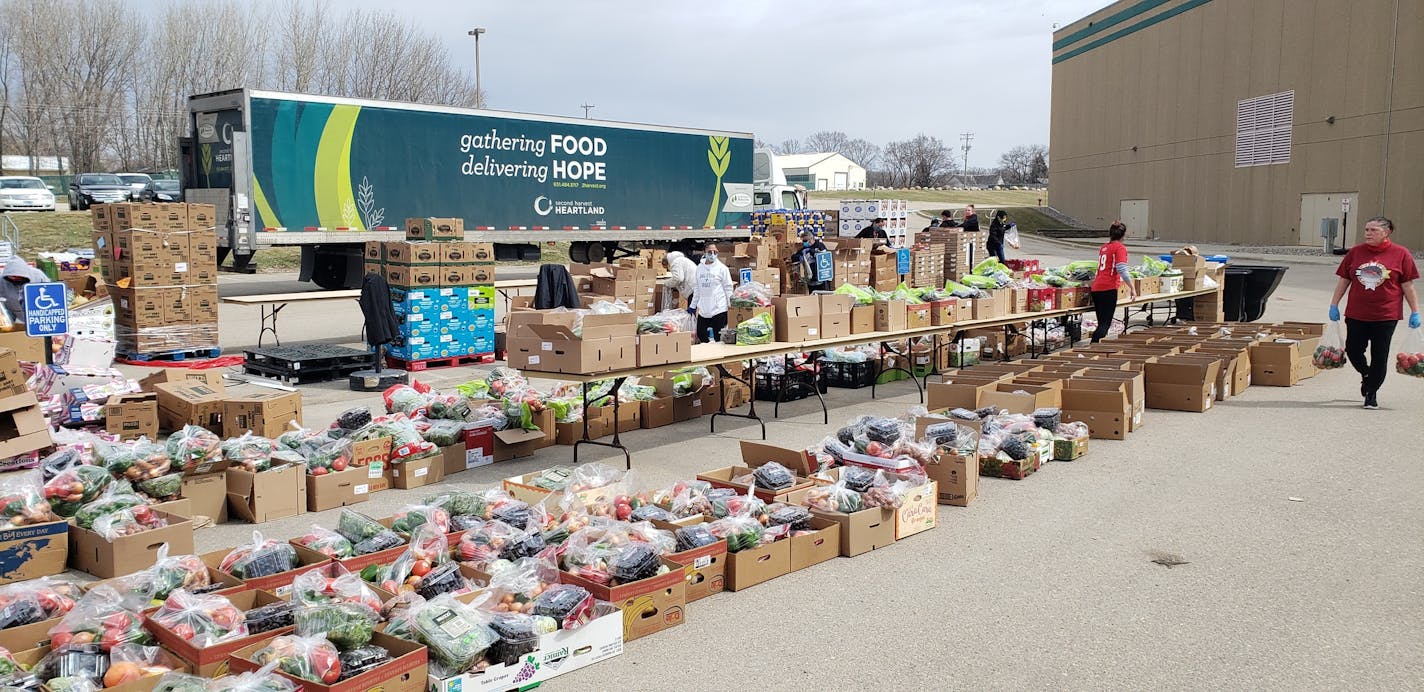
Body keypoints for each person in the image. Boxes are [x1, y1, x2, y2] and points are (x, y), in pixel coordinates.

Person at [1328, 216, 1420, 409]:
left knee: (1380, 354)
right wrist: (1334, 304)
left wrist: (1415, 311)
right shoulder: (1355, 252)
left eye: (1373, 230)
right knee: (1353, 349)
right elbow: (1344, 280)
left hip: (1386, 315)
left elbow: (1407, 286)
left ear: (1386, 233)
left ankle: (1371, 393)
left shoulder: (1401, 254)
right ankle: (1367, 374)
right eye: (1367, 230)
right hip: (1356, 313)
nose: (1368, 234)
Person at [1089, 221, 1137, 343]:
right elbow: (1121, 268)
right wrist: (1132, 287)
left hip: (1097, 287)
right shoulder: (1120, 248)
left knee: (1101, 322)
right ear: (1123, 235)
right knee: (1104, 325)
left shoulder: (1104, 247)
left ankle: (1095, 347)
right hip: (1108, 288)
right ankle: (1093, 347)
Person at [692, 243, 734, 343]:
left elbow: (728, 287)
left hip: (719, 308)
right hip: (704, 308)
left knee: (718, 336)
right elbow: (697, 288)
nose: (713, 254)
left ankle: (719, 355)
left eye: (715, 252)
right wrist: (693, 305)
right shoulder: (699, 268)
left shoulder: (722, 268)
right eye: (710, 252)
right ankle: (708, 352)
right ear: (704, 252)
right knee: (701, 333)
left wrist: (730, 304)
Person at [1, 256, 54, 324]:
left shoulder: (38, 276)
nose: (15, 279)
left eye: (18, 277)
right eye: (12, 277)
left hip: (40, 316)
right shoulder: (2, 281)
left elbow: (52, 292)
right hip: (16, 318)